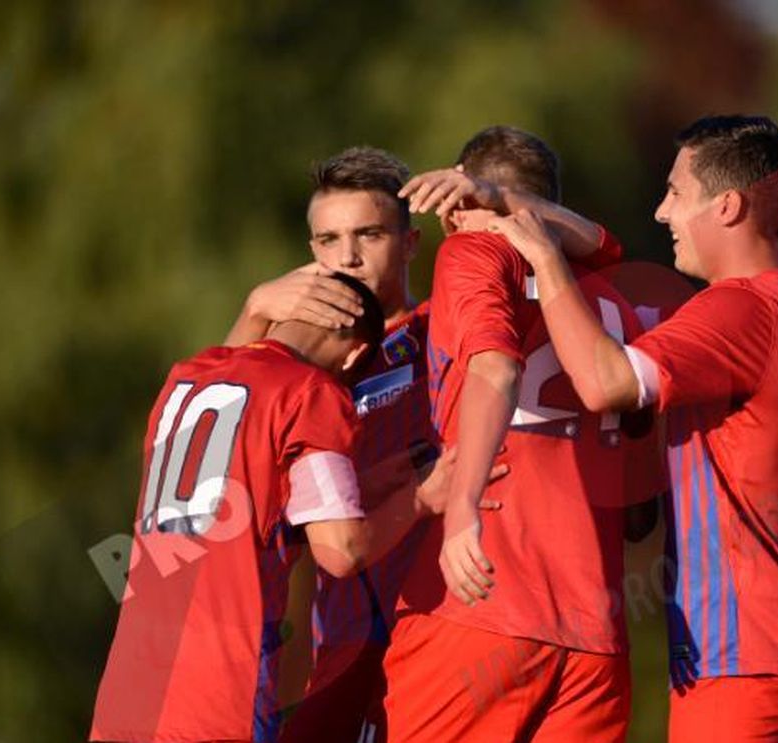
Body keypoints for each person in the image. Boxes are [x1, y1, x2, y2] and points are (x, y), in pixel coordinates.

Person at [227, 144, 622, 742]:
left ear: (411, 242)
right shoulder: (298, 364)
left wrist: (503, 200)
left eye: (369, 235)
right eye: (328, 240)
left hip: (448, 620)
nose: (348, 257)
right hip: (345, 638)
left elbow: (602, 247)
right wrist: (255, 309)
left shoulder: (450, 324)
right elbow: (216, 422)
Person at [490, 115, 778, 742]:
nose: (662, 212)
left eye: (677, 193)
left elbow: (605, 381)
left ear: (728, 206)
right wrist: (512, 200)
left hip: (745, 654)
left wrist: (546, 262)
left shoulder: (738, 307)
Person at [90, 273, 464, 743]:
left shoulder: (184, 380)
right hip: (218, 699)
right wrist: (422, 498)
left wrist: (377, 482)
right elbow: (342, 549)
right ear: (353, 356)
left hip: (128, 698)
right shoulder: (310, 392)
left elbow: (259, 508)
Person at [378, 125, 656, 743]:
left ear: (456, 197)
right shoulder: (616, 300)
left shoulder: (472, 252)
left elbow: (496, 368)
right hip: (593, 637)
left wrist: (462, 509)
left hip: (481, 605)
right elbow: (641, 513)